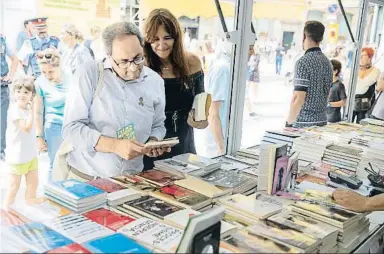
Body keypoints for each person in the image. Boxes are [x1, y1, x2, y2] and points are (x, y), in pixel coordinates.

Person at [62, 21, 169, 180]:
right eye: (124, 61)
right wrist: (114, 145)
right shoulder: (89, 74)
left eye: (138, 58)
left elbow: (158, 125)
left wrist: (153, 142)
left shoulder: (155, 81)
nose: (133, 68)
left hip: (132, 181)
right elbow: (71, 129)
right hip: (87, 179)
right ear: (109, 56)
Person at [142, 8, 205, 170]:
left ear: (177, 38)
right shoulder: (140, 68)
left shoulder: (193, 63)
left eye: (167, 38)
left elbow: (201, 105)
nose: (161, 45)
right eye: (155, 39)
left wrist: (201, 119)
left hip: (184, 147)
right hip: (149, 150)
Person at [286, 21, 333, 128]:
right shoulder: (327, 62)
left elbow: (298, 98)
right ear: (320, 38)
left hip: (304, 123)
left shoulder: (303, 62)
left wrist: (288, 122)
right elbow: (329, 93)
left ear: (304, 36)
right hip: (322, 121)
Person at [34, 49, 69, 181]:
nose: (47, 76)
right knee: (55, 163)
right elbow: (37, 112)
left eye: (50, 72)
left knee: (74, 164)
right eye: (43, 72)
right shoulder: (39, 83)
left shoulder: (71, 76)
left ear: (59, 67)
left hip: (73, 126)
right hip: (54, 126)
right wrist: (39, 137)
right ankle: (51, 196)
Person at [3, 77, 38, 209]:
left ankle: (30, 209)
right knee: (13, 187)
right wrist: (33, 109)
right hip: (17, 157)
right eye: (19, 91)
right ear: (14, 93)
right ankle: (6, 211)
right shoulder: (14, 110)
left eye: (26, 92)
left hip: (30, 154)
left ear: (31, 95)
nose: (22, 95)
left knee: (33, 183)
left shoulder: (28, 110)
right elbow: (26, 128)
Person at [206, 39, 231, 156]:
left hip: (224, 139)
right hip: (218, 143)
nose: (252, 52)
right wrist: (222, 148)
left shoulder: (227, 66)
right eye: (250, 48)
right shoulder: (223, 69)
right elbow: (213, 113)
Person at [1, 35, 19, 161]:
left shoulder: (2, 40)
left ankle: (1, 150)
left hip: (1, 87)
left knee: (1, 122)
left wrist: (10, 75)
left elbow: (15, 59)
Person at [353, 47, 381, 123]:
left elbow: (379, 88)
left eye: (363, 55)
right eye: (360, 55)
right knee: (346, 124)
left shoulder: (376, 72)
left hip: (365, 104)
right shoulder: (354, 68)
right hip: (351, 102)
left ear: (370, 57)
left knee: (361, 124)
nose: (361, 57)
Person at [246, 44, 260, 117]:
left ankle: (251, 110)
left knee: (253, 88)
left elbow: (254, 65)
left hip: (252, 73)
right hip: (248, 74)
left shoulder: (255, 56)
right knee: (247, 92)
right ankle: (250, 111)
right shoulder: (248, 56)